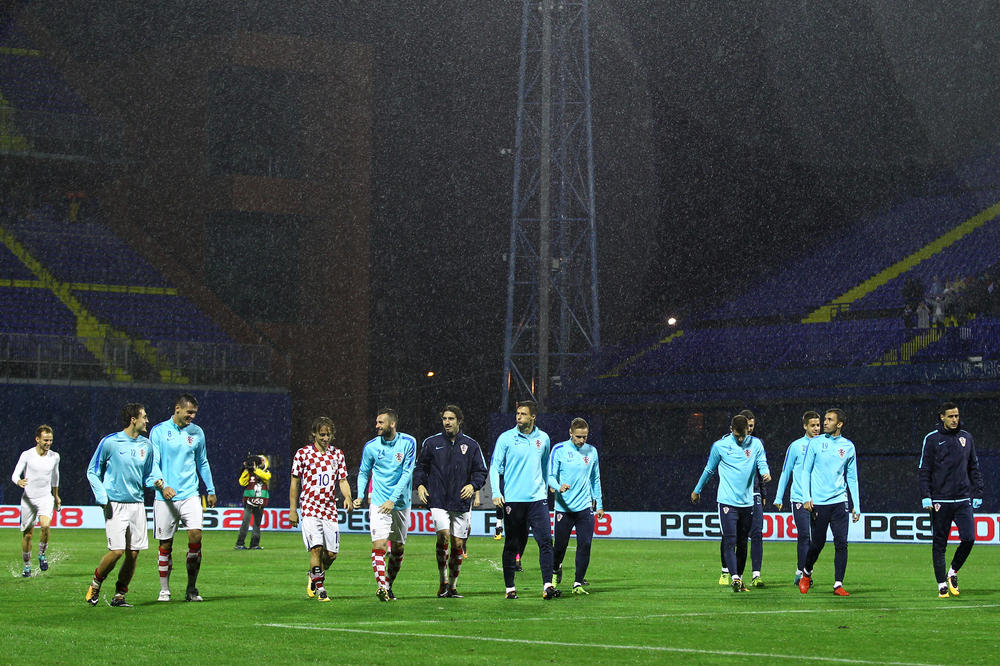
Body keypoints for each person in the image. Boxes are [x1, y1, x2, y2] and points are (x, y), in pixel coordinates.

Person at [84, 403, 163, 607]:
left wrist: (158, 483)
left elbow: (148, 475)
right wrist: (102, 497)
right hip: (115, 504)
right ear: (133, 420)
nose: (147, 420)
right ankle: (95, 583)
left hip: (137, 504)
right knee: (117, 551)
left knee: (133, 553)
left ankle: (120, 595)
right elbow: (92, 471)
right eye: (144, 417)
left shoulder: (147, 446)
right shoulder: (110, 442)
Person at [414, 404, 488, 598]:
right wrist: (420, 485)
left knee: (457, 544)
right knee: (443, 535)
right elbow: (421, 467)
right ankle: (443, 581)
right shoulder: (432, 443)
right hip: (438, 499)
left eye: (451, 419)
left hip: (461, 502)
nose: (447, 422)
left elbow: (480, 471)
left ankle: (453, 586)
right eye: (445, 419)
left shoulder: (471, 445)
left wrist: (473, 485)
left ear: (459, 421)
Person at [489, 400, 560, 600]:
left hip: (538, 500)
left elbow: (546, 466)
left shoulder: (544, 439)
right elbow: (495, 467)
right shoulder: (506, 438)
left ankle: (548, 586)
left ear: (533, 417)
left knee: (546, 541)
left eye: (523, 414)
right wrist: (496, 491)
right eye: (517, 413)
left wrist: (546, 488)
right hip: (514, 500)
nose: (518, 416)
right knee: (512, 544)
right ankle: (509, 588)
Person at [149, 393, 216, 602]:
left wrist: (211, 489)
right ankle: (164, 589)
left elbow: (202, 462)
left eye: (194, 413)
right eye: (189, 412)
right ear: (177, 408)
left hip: (190, 494)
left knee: (196, 535)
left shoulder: (197, 433)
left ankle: (191, 588)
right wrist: (162, 485)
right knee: (165, 544)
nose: (192, 416)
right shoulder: (159, 431)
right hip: (164, 497)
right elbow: (153, 463)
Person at [692, 414, 770, 592]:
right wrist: (697, 489)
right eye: (738, 436)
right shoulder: (720, 446)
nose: (741, 439)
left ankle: (739, 578)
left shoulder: (756, 444)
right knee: (730, 540)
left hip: (747, 502)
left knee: (743, 542)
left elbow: (761, 462)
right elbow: (709, 469)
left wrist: (766, 472)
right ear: (731, 430)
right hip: (727, 502)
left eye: (744, 435)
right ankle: (733, 576)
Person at [918, 402, 984, 598]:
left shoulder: (966, 437)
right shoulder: (932, 439)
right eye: (951, 416)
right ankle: (941, 584)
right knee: (939, 544)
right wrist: (925, 496)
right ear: (942, 417)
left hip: (963, 499)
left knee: (969, 538)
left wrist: (978, 493)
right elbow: (924, 470)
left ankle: (952, 572)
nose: (955, 419)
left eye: (956, 416)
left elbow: (974, 467)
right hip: (940, 500)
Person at [354, 408, 416, 601]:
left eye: (381, 422)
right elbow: (364, 472)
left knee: (397, 549)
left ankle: (388, 585)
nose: (377, 426)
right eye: (377, 422)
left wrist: (393, 499)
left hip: (401, 503)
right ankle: (381, 586)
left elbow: (407, 473)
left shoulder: (409, 442)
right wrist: (360, 494)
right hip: (380, 502)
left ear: (392, 424)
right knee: (379, 544)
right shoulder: (371, 447)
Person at [290, 417, 353, 602]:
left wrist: (347, 496)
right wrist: (293, 510)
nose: (325, 438)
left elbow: (342, 480)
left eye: (328, 434)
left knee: (331, 554)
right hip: (310, 506)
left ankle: (314, 574)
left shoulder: (337, 454)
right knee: (316, 548)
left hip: (329, 508)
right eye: (322, 434)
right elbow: (294, 482)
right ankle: (321, 588)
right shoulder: (303, 454)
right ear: (314, 434)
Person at [798, 408, 860, 596]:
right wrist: (806, 497)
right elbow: (805, 471)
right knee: (817, 544)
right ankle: (806, 573)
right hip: (819, 503)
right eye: (825, 419)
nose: (825, 423)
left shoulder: (848, 446)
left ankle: (838, 584)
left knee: (842, 543)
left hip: (840, 502)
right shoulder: (815, 444)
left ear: (839, 424)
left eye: (829, 420)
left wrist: (856, 504)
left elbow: (852, 477)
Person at [547, 418, 603, 595]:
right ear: (570, 433)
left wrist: (599, 504)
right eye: (578, 437)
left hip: (585, 508)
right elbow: (549, 476)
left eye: (585, 437)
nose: (581, 440)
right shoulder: (559, 450)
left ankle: (577, 583)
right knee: (559, 547)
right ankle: (556, 569)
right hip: (563, 508)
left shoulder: (591, 451)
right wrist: (558, 487)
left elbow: (595, 479)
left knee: (585, 545)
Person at [773, 411, 822, 586]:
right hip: (800, 498)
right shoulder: (796, 446)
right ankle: (802, 573)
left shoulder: (825, 444)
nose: (816, 428)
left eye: (818, 425)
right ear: (805, 426)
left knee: (816, 539)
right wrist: (779, 497)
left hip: (819, 499)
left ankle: (806, 571)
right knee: (804, 536)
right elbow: (786, 472)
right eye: (813, 425)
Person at [11, 425, 61, 577]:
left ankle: (41, 555)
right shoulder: (27, 455)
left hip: (45, 497)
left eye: (51, 440)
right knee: (27, 535)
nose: (48, 443)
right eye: (46, 440)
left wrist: (56, 495)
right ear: (37, 439)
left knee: (45, 526)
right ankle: (27, 566)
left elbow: (55, 477)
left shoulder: (55, 456)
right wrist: (19, 482)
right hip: (28, 500)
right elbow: (14, 475)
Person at [234, 453, 271, 550]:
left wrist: (255, 470)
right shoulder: (249, 473)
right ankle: (239, 544)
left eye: (263, 460)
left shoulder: (266, 472)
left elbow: (266, 477)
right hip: (249, 501)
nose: (262, 462)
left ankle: (254, 544)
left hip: (260, 502)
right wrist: (246, 469)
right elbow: (242, 482)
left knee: (257, 524)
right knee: (245, 523)